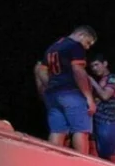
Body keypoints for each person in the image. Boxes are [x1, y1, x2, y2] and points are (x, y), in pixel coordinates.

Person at [35, 26, 98, 154]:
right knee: (80, 130)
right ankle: (80, 163)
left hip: (53, 95)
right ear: (81, 35)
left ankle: (51, 161)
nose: (87, 47)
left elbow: (40, 70)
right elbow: (78, 70)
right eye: (88, 42)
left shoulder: (53, 47)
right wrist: (89, 97)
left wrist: (52, 84)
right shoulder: (75, 46)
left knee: (57, 131)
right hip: (72, 93)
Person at [88, 53, 115, 164]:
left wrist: (92, 82)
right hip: (96, 121)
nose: (94, 68)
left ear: (105, 64)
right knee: (95, 154)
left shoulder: (112, 79)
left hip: (108, 122)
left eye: (96, 65)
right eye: (92, 66)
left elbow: (105, 96)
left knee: (110, 156)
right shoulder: (100, 80)